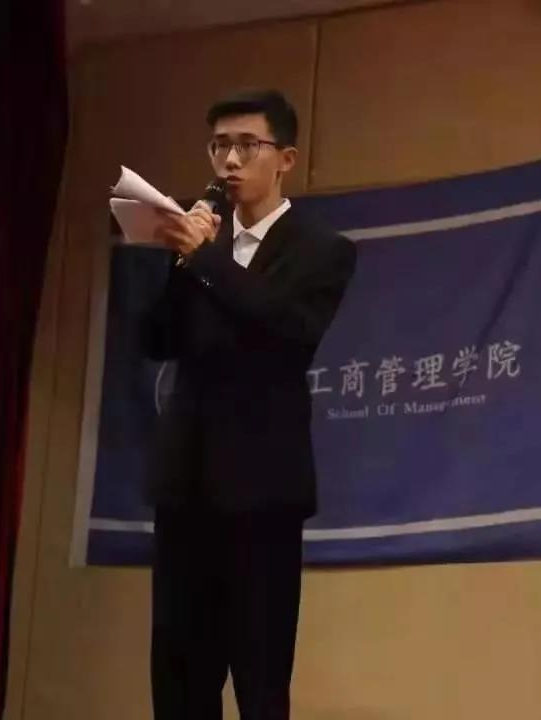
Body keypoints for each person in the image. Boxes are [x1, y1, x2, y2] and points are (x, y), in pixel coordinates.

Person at [142, 89, 357, 719]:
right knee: (179, 679)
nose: (229, 161)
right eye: (219, 147)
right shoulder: (200, 243)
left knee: (259, 681)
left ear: (285, 158)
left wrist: (205, 261)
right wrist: (182, 265)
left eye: (246, 146)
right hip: (185, 485)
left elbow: (285, 330)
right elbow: (156, 340)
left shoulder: (322, 249)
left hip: (262, 492)